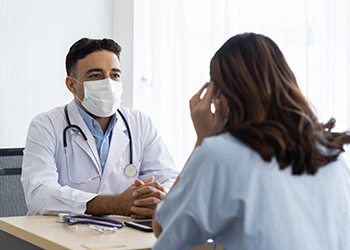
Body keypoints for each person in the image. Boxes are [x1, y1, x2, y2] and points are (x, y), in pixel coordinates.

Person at [152, 33, 350, 250]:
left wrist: (202, 140)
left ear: (217, 95)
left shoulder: (221, 155)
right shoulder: (330, 156)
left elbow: (164, 229)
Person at [21, 38, 179, 218]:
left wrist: (155, 198)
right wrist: (115, 204)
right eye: (95, 75)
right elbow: (39, 195)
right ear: (71, 85)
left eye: (115, 75)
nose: (108, 83)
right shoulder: (45, 125)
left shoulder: (140, 123)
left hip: (124, 232)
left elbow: (169, 178)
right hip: (61, 234)